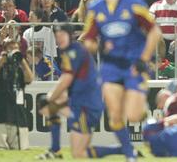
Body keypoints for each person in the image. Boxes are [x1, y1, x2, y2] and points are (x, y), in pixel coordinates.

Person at [81, 0, 163, 161]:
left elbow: (155, 32)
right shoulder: (94, 8)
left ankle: (148, 122)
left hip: (134, 64)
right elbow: (88, 39)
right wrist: (96, 47)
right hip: (110, 66)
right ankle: (129, 155)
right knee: (115, 116)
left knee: (133, 115)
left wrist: (144, 59)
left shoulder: (135, 4)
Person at [37, 24, 121, 159]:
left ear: (70, 36)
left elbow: (66, 79)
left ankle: (121, 150)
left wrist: (50, 96)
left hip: (86, 106)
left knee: (79, 154)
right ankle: (55, 150)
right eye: (56, 36)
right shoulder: (70, 51)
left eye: (62, 35)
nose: (59, 39)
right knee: (48, 107)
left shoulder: (73, 52)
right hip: (82, 102)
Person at [0, 34, 34, 150]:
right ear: (4, 51)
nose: (13, 51)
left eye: (15, 48)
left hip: (18, 117)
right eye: (10, 48)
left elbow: (29, 79)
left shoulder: (21, 67)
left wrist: (22, 61)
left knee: (22, 149)